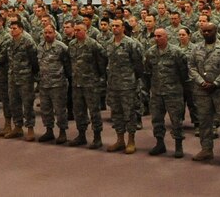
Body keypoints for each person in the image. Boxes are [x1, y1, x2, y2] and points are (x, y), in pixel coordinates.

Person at [188, 23, 220, 165]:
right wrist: (201, 82)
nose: (206, 33)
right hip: (202, 90)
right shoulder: (196, 48)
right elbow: (191, 67)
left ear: (216, 31)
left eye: (209, 31)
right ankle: (206, 149)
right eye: (204, 31)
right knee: (204, 121)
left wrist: (215, 83)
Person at [144, 28, 190, 158]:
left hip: (173, 92)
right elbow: (147, 71)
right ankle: (160, 143)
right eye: (155, 36)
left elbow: (184, 73)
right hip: (157, 92)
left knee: (176, 120)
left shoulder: (176, 52)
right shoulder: (150, 53)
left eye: (160, 36)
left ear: (166, 37)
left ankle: (178, 145)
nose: (157, 38)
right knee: (157, 120)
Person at [103, 18, 144, 154]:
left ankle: (131, 140)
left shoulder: (132, 44)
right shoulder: (108, 44)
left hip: (128, 85)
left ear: (123, 28)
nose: (114, 28)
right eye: (113, 26)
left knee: (129, 113)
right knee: (116, 113)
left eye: (117, 26)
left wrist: (133, 80)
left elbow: (139, 65)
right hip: (113, 84)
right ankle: (120, 139)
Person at [67, 23, 107, 149]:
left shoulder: (93, 44)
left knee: (94, 111)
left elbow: (102, 61)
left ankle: (97, 137)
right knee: (79, 111)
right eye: (75, 30)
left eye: (79, 30)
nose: (77, 32)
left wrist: (99, 77)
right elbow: (70, 62)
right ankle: (81, 135)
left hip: (91, 83)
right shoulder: (72, 45)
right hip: (77, 83)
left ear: (85, 31)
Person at [3, 20, 39, 141]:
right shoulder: (9, 42)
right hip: (13, 76)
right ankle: (18, 127)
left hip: (25, 77)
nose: (12, 31)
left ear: (21, 29)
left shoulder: (28, 42)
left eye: (15, 28)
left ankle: (30, 128)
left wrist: (32, 75)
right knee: (14, 103)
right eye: (11, 29)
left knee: (27, 103)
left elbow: (34, 61)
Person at [36, 24, 71, 144]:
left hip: (58, 83)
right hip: (44, 83)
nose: (47, 35)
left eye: (50, 32)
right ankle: (49, 130)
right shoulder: (40, 46)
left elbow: (68, 65)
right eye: (45, 33)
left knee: (60, 109)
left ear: (55, 34)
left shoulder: (61, 47)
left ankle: (62, 132)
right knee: (45, 109)